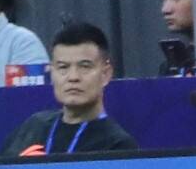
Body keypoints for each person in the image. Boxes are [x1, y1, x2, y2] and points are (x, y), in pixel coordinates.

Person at [9, 22, 137, 157]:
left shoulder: (117, 145)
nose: (73, 77)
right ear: (51, 73)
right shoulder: (34, 127)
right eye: (63, 67)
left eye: (85, 66)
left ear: (105, 74)